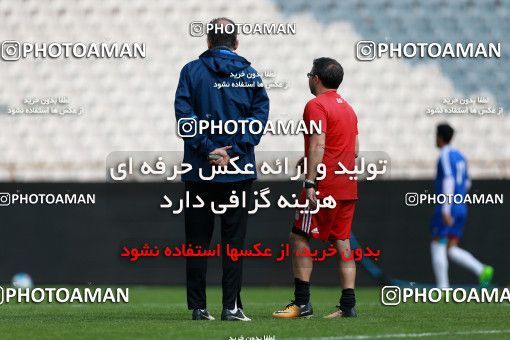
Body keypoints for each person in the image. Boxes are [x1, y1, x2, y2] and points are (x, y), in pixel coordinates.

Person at [174, 17, 269, 321]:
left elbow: (184, 117)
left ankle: (199, 308)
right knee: (234, 243)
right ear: (236, 43)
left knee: (197, 242)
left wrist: (207, 149)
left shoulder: (190, 71)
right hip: (237, 174)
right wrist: (235, 152)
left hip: (199, 171)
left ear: (208, 42)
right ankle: (231, 307)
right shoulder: (251, 75)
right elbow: (259, 119)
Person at [272, 57, 359, 319]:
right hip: (347, 184)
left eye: (309, 74)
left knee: (299, 236)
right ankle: (348, 305)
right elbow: (353, 150)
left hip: (324, 185)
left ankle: (302, 303)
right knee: (342, 242)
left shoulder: (315, 105)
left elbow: (319, 143)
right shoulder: (349, 109)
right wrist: (310, 157)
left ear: (316, 79)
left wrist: (310, 181)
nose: (309, 78)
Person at [430, 123, 493, 288]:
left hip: (448, 205)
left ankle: (443, 288)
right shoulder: (460, 156)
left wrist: (445, 208)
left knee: (437, 243)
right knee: (451, 248)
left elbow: (449, 180)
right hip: (461, 205)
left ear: (440, 137)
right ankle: (482, 270)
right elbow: (467, 183)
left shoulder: (444, 155)